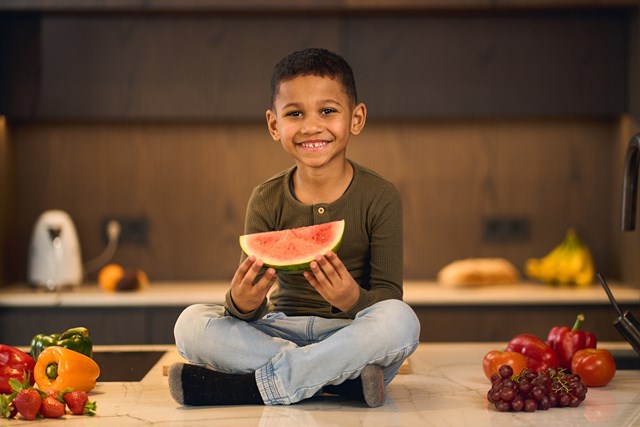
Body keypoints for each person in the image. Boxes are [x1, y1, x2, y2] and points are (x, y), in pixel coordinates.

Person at [169, 47, 420, 407]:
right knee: (190, 324)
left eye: (328, 111)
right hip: (276, 329)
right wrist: (241, 303)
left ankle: (255, 387)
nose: (311, 126)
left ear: (356, 118)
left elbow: (388, 296)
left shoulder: (380, 196)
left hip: (349, 333)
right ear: (274, 124)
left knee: (401, 322)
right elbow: (250, 303)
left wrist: (352, 300)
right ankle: (335, 381)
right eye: (295, 113)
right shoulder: (265, 198)